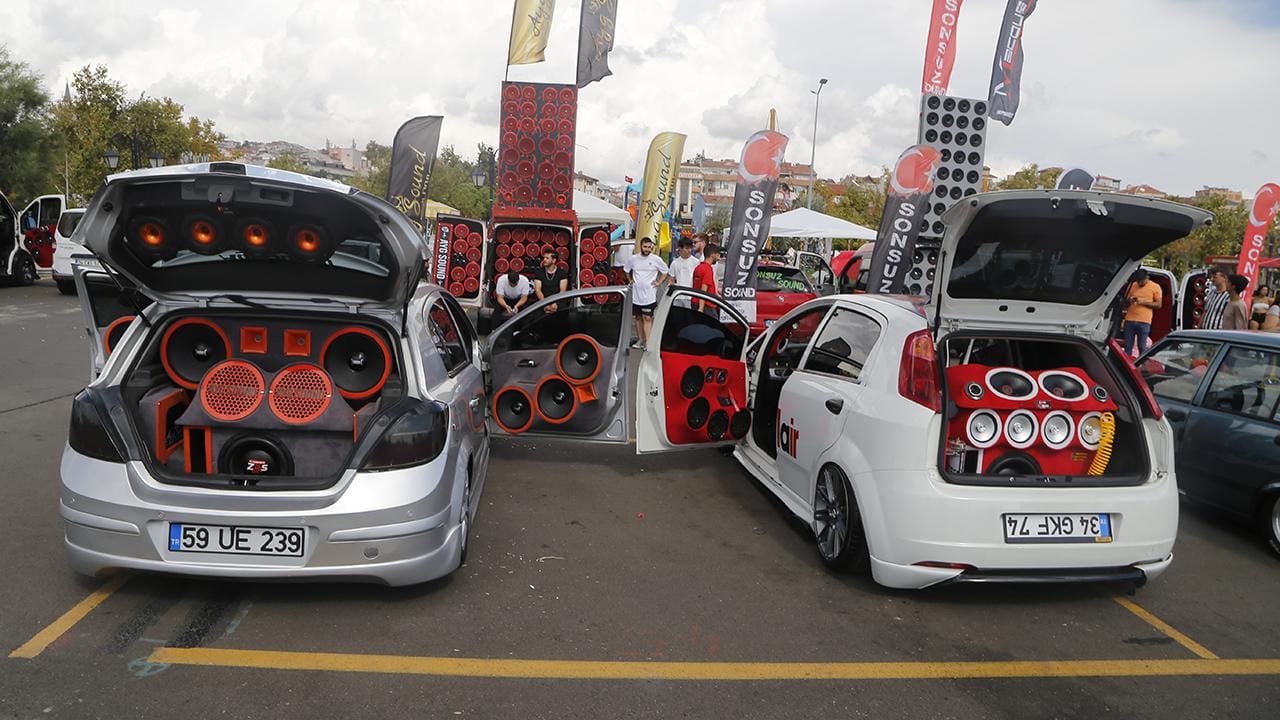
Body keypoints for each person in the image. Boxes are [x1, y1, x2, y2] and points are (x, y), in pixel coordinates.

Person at [626, 237, 669, 349]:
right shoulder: (633, 259)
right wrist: (630, 280)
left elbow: (665, 271)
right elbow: (626, 270)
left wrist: (659, 282)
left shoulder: (656, 259)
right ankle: (640, 340)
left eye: (649, 247)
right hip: (636, 295)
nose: (647, 249)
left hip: (649, 296)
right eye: (645, 247)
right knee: (638, 317)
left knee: (647, 318)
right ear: (640, 246)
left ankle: (648, 343)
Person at [1122, 269, 1162, 356]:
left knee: (1142, 346)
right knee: (1128, 346)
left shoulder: (1155, 287)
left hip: (1144, 321)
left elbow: (1158, 305)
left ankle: (1142, 363)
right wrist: (1129, 300)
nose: (1139, 283)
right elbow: (1124, 302)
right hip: (1130, 319)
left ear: (1147, 277)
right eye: (1138, 281)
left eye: (1142, 281)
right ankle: (1126, 363)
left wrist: (1143, 302)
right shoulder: (1132, 285)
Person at [693, 243, 721, 316]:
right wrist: (701, 308)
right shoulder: (708, 269)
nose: (719, 258)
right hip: (707, 305)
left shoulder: (698, 268)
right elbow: (704, 289)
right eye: (718, 255)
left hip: (695, 302)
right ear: (713, 255)